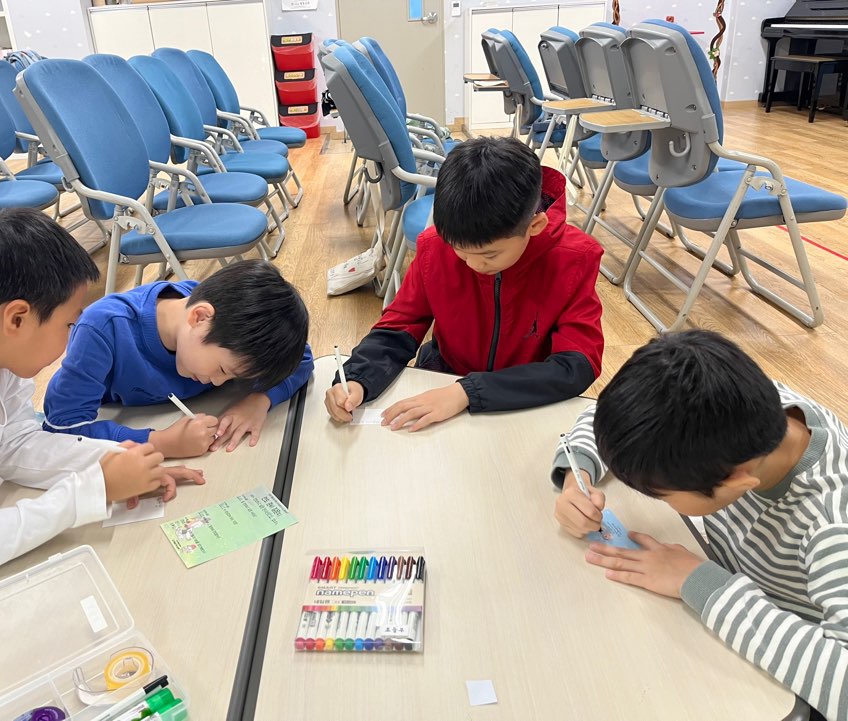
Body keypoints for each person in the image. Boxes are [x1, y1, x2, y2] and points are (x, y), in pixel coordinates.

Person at [0, 209, 203, 582]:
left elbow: (15, 445)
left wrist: (115, 463)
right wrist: (92, 490)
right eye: (69, 323)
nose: (72, 336)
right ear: (17, 319)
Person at [552, 330, 848, 721]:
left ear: (736, 483)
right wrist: (578, 475)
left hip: (785, 684)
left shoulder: (831, 526)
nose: (654, 498)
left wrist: (700, 582)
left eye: (660, 494)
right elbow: (608, 419)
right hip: (734, 602)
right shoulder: (750, 406)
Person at [325, 136, 603, 431]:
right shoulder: (435, 247)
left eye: (489, 255)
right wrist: (357, 378)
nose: (473, 265)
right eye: (460, 251)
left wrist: (468, 392)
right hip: (444, 376)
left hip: (524, 395)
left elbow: (576, 365)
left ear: (534, 226)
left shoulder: (575, 258)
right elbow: (399, 326)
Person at [44, 260, 313, 456]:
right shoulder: (103, 329)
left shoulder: (221, 317)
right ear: (199, 318)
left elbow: (302, 358)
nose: (218, 382)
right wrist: (161, 443)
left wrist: (260, 400)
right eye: (222, 369)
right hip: (120, 429)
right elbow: (63, 429)